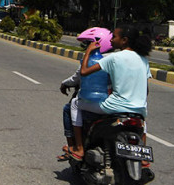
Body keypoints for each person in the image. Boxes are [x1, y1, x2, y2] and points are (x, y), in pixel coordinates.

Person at [72, 25, 152, 160]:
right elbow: (146, 90)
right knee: (142, 124)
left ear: (124, 40)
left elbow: (84, 71)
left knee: (75, 104)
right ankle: (142, 157)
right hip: (139, 110)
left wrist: (88, 51)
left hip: (114, 108)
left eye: (114, 37)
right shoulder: (144, 60)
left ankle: (79, 148)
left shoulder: (114, 58)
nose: (111, 40)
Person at [59, 30, 112, 160]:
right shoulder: (114, 58)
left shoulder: (92, 59)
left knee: (69, 108)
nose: (86, 46)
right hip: (113, 101)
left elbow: (77, 77)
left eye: (88, 43)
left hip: (97, 102)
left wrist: (64, 84)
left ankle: (75, 146)